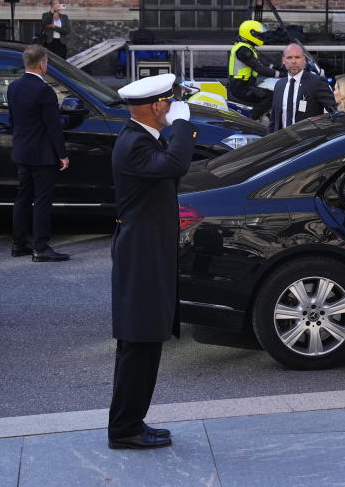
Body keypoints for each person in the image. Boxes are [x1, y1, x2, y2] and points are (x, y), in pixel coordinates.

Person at [107, 73, 197, 450]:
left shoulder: (142, 139)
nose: (171, 108)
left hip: (146, 249)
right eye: (170, 103)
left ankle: (132, 420)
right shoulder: (135, 145)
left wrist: (175, 127)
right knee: (139, 341)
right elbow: (176, 164)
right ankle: (125, 427)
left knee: (144, 342)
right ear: (159, 105)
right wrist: (183, 124)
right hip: (140, 254)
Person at [7, 45, 70, 262]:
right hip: (42, 155)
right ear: (42, 64)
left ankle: (19, 244)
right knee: (42, 200)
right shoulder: (45, 91)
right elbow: (53, 127)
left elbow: (13, 120)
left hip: (22, 152)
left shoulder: (13, 87)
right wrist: (62, 154)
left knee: (23, 198)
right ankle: (40, 247)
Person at [269, 43, 336, 132]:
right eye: (289, 57)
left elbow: (333, 111)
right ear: (283, 60)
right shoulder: (279, 85)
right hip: (283, 142)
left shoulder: (316, 82)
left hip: (309, 141)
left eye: (297, 57)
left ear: (304, 59)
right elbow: (274, 120)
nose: (293, 61)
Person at [227, 19, 285, 120]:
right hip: (241, 88)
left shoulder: (248, 47)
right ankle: (253, 119)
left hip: (245, 86)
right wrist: (280, 74)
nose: (259, 37)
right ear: (249, 34)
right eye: (257, 35)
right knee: (271, 96)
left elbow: (262, 63)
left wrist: (280, 67)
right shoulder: (243, 50)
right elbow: (259, 68)